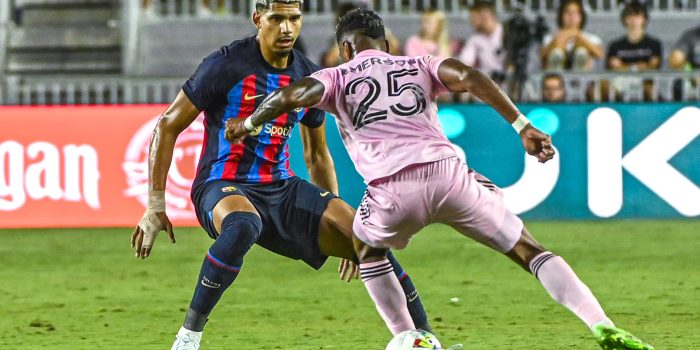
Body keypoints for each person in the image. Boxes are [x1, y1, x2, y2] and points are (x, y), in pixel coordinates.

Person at [227, 8, 655, 350]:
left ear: (345, 48)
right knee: (529, 249)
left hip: (391, 193)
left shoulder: (336, 76)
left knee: (364, 247)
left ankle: (407, 338)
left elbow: (292, 95)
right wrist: (522, 124)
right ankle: (601, 325)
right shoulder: (420, 62)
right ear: (387, 44)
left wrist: (248, 124)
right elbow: (469, 77)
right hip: (448, 177)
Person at [129, 1, 431, 349]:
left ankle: (425, 339)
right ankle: (187, 338)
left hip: (281, 188)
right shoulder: (225, 64)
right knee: (243, 223)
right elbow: (167, 125)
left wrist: (333, 213)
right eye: (277, 19)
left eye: (294, 19)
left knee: (368, 241)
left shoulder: (309, 75)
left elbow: (317, 154)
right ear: (258, 19)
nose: (287, 28)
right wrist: (155, 206)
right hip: (223, 184)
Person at [541, 0, 603, 71]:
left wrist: (579, 37)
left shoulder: (591, 38)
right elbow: (541, 56)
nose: (572, 16)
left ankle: (580, 68)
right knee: (557, 52)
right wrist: (557, 40)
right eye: (567, 12)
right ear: (561, 16)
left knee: (581, 51)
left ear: (581, 17)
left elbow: (599, 54)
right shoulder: (550, 38)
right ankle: (556, 67)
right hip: (555, 78)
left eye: (576, 13)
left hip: (584, 77)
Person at [458, 1, 505, 79]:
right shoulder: (475, 39)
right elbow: (465, 62)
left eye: (473, 18)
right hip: (488, 83)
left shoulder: (507, 34)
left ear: (485, 15)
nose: (471, 22)